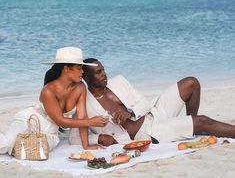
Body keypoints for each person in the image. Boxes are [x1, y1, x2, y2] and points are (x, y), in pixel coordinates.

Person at [69, 58, 235, 147]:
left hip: (154, 113)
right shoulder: (84, 104)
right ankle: (195, 125)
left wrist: (130, 112)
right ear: (87, 78)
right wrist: (98, 138)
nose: (104, 74)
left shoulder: (118, 81)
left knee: (191, 83)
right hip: (149, 132)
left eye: (103, 69)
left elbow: (143, 102)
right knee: (203, 121)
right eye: (98, 73)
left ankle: (192, 127)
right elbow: (73, 138)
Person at [0, 47, 108, 156]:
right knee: (6, 144)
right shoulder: (48, 91)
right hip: (29, 122)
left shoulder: (80, 87)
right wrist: (91, 122)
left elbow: (82, 117)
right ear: (66, 68)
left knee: (37, 151)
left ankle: (14, 148)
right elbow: (61, 121)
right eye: (79, 68)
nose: (82, 71)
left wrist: (86, 145)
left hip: (50, 133)